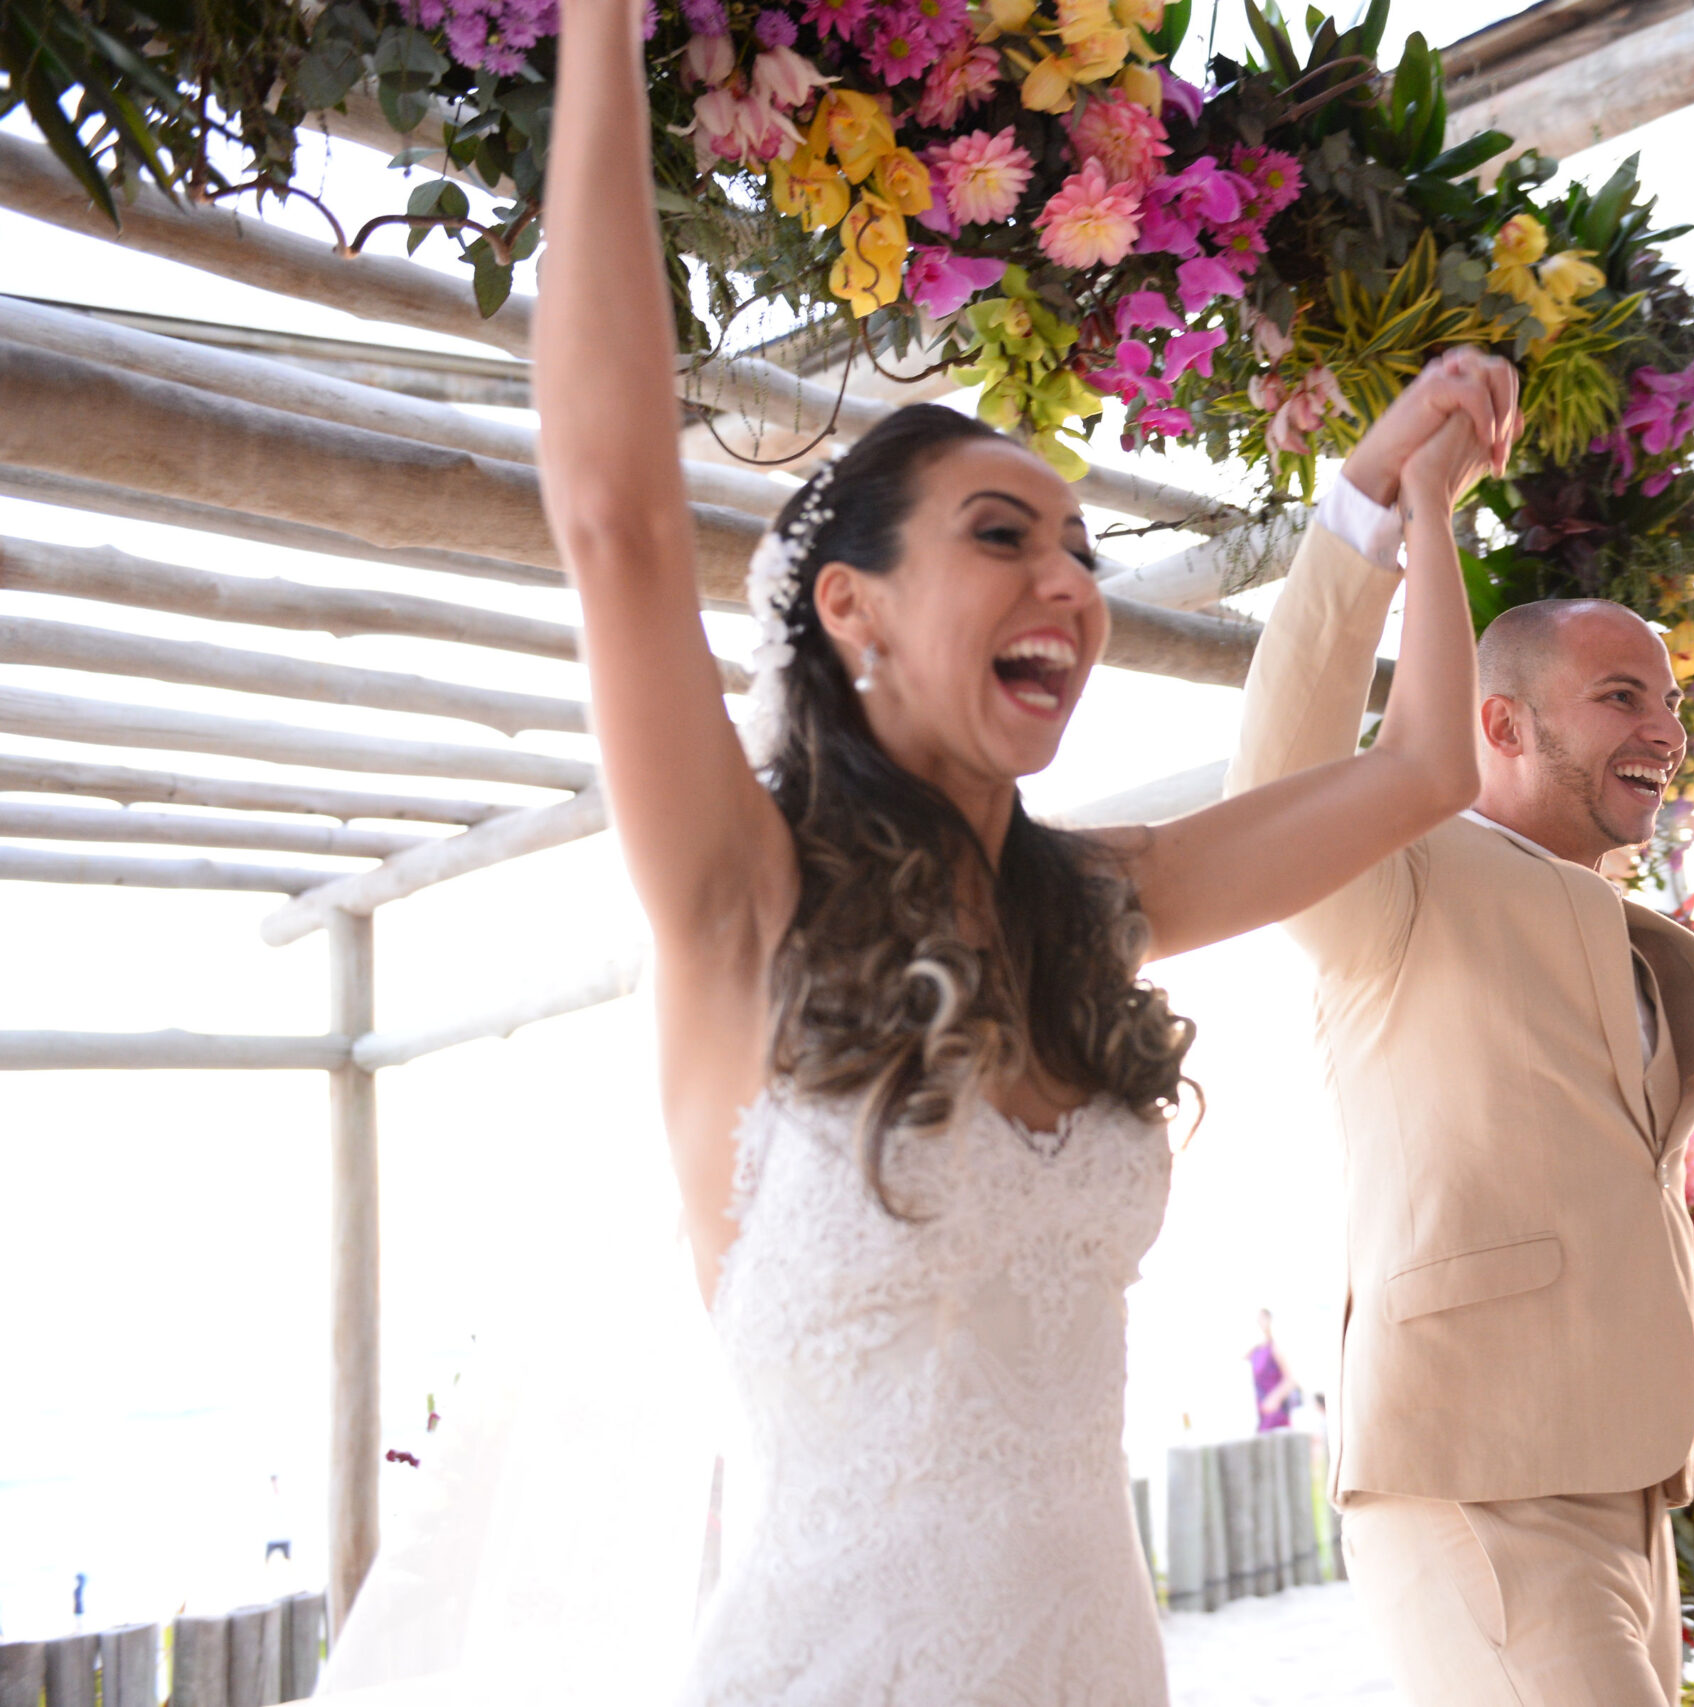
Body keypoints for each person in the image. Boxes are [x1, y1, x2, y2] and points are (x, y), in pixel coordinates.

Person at [538, 4, 1515, 1697]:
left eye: (1082, 547)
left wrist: (1417, 499)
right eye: (1003, 537)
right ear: (851, 612)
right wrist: (604, 37)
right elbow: (615, 515)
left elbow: (1427, 765)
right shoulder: (741, 903)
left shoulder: (1090, 907)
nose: (1070, 582)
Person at [1232, 498, 1694, 1704]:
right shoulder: (1397, 879)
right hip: (1475, 1476)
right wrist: (1376, 497)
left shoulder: (1615, 926)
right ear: (1502, 723)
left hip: (1622, 1485)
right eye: (1623, 695)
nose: (1667, 728)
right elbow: (1278, 781)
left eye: (1669, 701)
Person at [1251, 1309, 1303, 1433]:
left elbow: (1291, 1379)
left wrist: (1274, 1399)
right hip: (1260, 1413)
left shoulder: (1275, 1347)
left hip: (1275, 1415)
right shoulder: (1255, 1351)